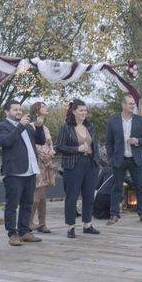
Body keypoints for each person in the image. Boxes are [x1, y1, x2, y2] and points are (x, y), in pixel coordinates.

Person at [0, 100, 46, 246]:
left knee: (27, 203)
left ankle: (24, 232)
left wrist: (40, 127)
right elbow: (6, 142)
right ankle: (13, 234)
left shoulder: (28, 126)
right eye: (15, 109)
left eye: (20, 109)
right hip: (14, 172)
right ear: (7, 112)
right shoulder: (1, 126)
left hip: (30, 170)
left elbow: (41, 141)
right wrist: (20, 126)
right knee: (12, 204)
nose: (18, 112)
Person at [56, 99, 101, 238]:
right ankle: (71, 227)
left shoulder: (90, 126)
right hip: (74, 165)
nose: (84, 113)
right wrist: (77, 148)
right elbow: (59, 147)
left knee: (88, 196)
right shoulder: (66, 127)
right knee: (72, 197)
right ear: (74, 111)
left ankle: (87, 224)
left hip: (90, 164)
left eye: (85, 110)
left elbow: (95, 145)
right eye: (81, 110)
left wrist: (97, 162)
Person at [106, 94, 142, 225]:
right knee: (116, 187)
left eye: (133, 104)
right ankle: (114, 214)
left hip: (135, 159)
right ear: (123, 105)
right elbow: (108, 143)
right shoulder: (112, 122)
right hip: (119, 160)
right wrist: (112, 157)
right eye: (130, 103)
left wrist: (138, 140)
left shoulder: (140, 121)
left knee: (140, 187)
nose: (132, 106)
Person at [29, 102, 58, 234]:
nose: (47, 108)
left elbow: (49, 145)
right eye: (43, 106)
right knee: (37, 191)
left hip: (47, 164)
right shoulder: (32, 126)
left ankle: (42, 223)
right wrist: (47, 161)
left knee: (43, 193)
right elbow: (36, 147)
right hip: (38, 163)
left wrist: (51, 157)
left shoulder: (45, 128)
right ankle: (29, 221)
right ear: (37, 110)